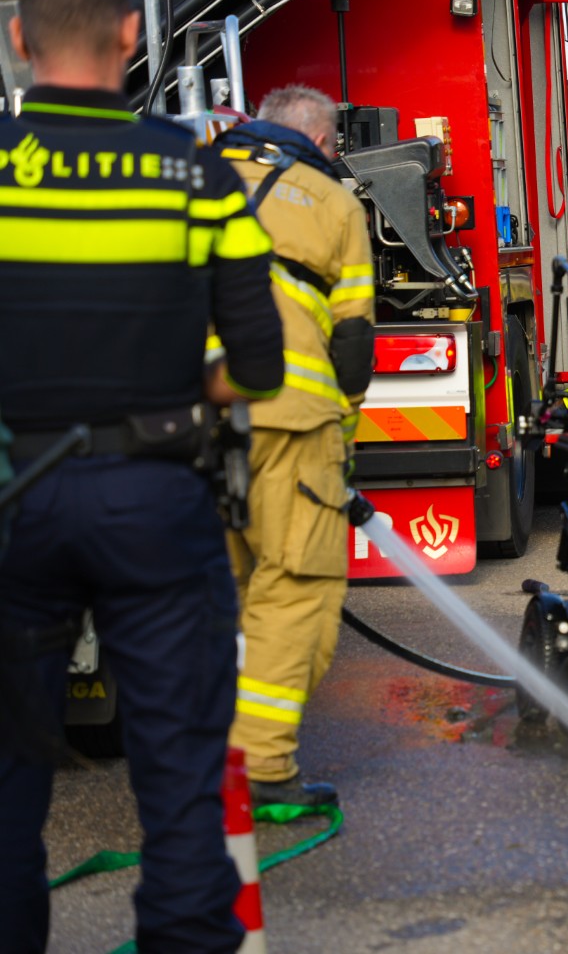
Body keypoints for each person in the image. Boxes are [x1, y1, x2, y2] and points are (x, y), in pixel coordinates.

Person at [0, 0, 283, 953]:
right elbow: (259, 364)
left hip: (11, 508)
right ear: (132, 36)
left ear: (19, 39)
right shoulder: (193, 170)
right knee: (179, 792)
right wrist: (174, 390)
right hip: (155, 504)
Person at [214, 85, 375, 807]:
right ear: (318, 138)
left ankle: (201, 762)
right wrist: (344, 439)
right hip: (292, 422)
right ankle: (261, 770)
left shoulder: (190, 176)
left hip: (185, 421)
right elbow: (352, 344)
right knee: (296, 592)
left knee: (212, 597)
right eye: (335, 143)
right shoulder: (334, 203)